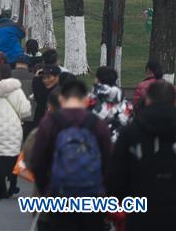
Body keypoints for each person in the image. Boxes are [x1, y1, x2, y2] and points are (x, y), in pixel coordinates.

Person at [31, 80, 113, 231]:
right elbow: (109, 162)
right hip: (92, 198)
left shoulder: (49, 123)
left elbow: (38, 161)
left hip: (60, 196)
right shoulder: (97, 124)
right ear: (87, 100)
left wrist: (47, 189)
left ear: (61, 99)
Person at [107, 80, 176, 231]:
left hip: (140, 214)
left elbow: (115, 179)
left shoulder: (131, 132)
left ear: (148, 100)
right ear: (174, 102)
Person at [0, 64, 32, 197]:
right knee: (12, 158)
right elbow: (26, 111)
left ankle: (0, 185)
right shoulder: (17, 91)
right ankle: (13, 185)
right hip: (13, 130)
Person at [89, 65, 129, 141]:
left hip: (96, 144)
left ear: (98, 80)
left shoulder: (90, 101)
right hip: (119, 144)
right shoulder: (126, 104)